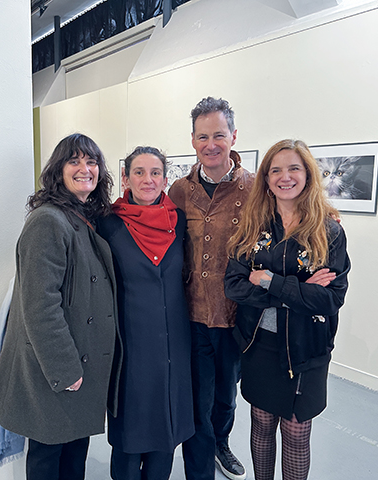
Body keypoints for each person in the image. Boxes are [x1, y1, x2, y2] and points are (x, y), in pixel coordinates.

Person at [0, 133, 122, 480]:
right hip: (57, 371)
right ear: (58, 169)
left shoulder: (81, 217)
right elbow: (39, 304)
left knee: (73, 457)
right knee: (48, 460)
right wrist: (66, 370)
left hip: (77, 364)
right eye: (74, 161)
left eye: (91, 162)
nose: (84, 168)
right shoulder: (48, 220)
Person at [223, 139, 351, 480]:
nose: (285, 177)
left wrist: (268, 280)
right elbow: (233, 286)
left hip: (306, 348)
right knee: (262, 425)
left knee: (296, 432)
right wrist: (298, 291)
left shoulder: (329, 231)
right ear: (266, 179)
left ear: (308, 174)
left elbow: (330, 298)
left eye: (294, 168)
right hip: (259, 344)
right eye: (275, 170)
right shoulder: (252, 227)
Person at [168, 97, 254, 480]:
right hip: (190, 314)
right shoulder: (179, 191)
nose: (211, 144)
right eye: (203, 136)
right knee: (197, 398)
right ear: (192, 140)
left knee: (226, 397)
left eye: (219, 134)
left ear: (233, 136)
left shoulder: (254, 189)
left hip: (235, 314)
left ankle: (221, 442)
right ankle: (199, 468)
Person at [97, 146, 194, 480]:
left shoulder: (179, 222)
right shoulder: (108, 223)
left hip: (174, 341)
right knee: (130, 430)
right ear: (125, 177)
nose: (147, 180)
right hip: (130, 343)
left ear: (166, 179)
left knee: (165, 428)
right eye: (139, 172)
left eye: (155, 173)